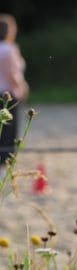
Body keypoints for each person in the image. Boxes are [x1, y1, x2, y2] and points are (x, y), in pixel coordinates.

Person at [0, 14, 28, 169]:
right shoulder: (10, 49)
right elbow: (13, 75)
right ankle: (4, 167)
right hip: (7, 95)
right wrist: (23, 88)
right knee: (8, 134)